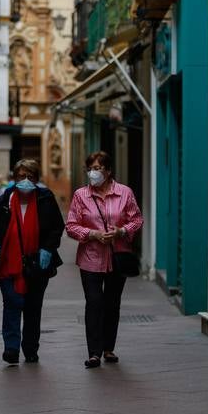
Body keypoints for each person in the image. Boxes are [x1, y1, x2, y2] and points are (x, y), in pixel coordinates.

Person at [66, 150, 143, 369]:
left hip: (117, 257)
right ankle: (94, 353)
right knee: (94, 303)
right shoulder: (81, 195)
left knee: (112, 303)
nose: (93, 173)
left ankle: (109, 348)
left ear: (108, 171)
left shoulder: (124, 193)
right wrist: (93, 234)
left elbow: (137, 220)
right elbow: (71, 226)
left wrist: (121, 232)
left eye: (97, 168)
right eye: (89, 169)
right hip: (90, 258)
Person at [0, 158, 64, 365]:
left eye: (30, 176)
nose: (26, 180)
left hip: (37, 264)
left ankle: (30, 349)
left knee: (32, 307)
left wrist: (48, 248)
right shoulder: (4, 200)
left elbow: (57, 227)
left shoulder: (45, 198)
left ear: (37, 179)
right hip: (8, 262)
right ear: (15, 178)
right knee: (12, 302)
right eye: (21, 176)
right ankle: (11, 349)